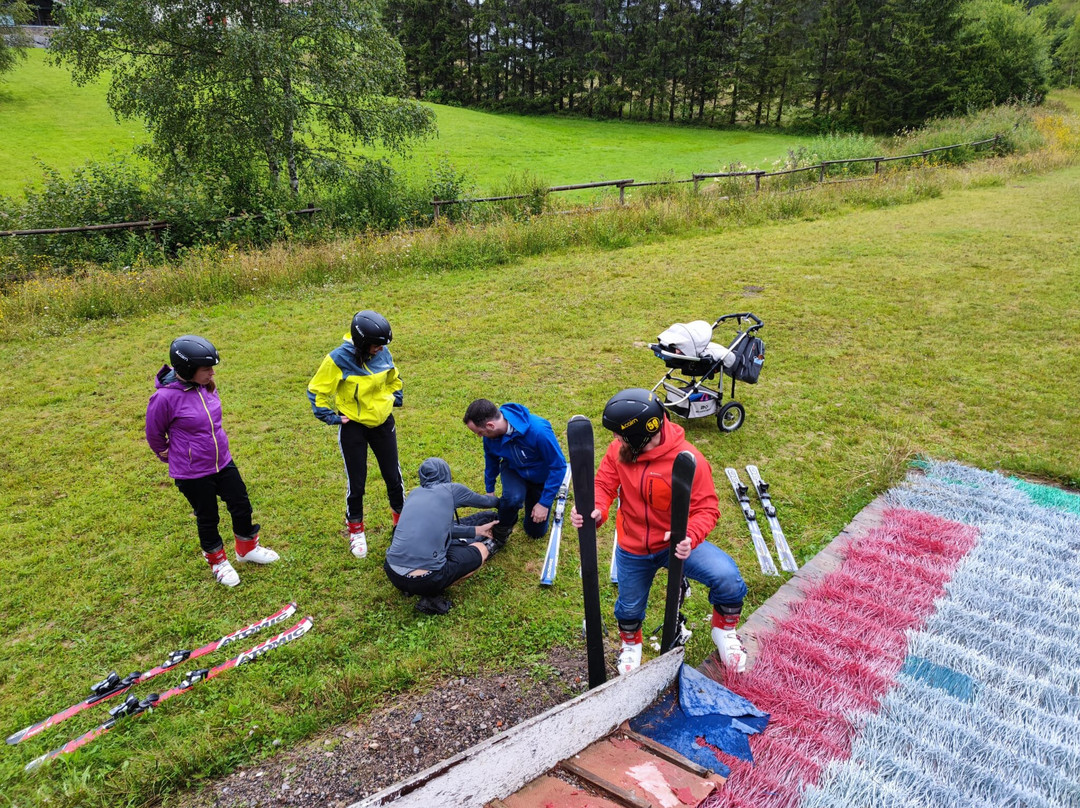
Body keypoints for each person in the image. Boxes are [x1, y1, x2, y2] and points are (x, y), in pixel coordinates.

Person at [571, 388, 748, 674]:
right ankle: (631, 645)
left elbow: (708, 508)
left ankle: (724, 632)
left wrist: (690, 535)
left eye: (620, 434)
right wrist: (596, 510)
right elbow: (603, 485)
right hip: (634, 546)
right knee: (628, 609)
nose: (615, 440)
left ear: (640, 436)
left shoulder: (689, 459)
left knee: (727, 577)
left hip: (677, 544)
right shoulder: (619, 451)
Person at [146, 335, 279, 588]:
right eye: (206, 369)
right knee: (208, 517)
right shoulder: (164, 399)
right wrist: (169, 454)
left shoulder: (206, 385)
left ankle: (247, 548)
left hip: (222, 462)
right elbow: (154, 434)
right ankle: (218, 561)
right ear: (186, 369)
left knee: (241, 503)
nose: (212, 373)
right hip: (193, 473)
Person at [308, 310, 405, 559]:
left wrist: (395, 397)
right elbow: (316, 390)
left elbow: (394, 377)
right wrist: (329, 416)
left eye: (383, 345)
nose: (380, 350)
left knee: (393, 476)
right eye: (376, 346)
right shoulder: (338, 358)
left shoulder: (382, 351)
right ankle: (356, 530)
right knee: (357, 481)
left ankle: (401, 523)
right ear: (362, 342)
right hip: (354, 426)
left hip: (383, 423)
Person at [384, 458, 501, 615]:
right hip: (426, 580)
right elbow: (486, 502)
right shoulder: (452, 490)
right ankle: (430, 595)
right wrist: (509, 502)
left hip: (393, 573)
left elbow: (438, 529)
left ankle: (409, 587)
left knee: (438, 543)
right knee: (481, 550)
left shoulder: (414, 494)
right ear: (446, 473)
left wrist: (476, 531)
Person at [462, 399, 568, 548]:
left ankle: (535, 499)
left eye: (480, 432)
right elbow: (491, 460)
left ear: (491, 426)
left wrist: (544, 503)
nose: (480, 436)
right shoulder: (490, 437)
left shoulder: (539, 431)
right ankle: (502, 527)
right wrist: (489, 490)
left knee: (535, 532)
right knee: (512, 499)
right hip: (514, 470)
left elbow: (559, 467)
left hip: (539, 477)